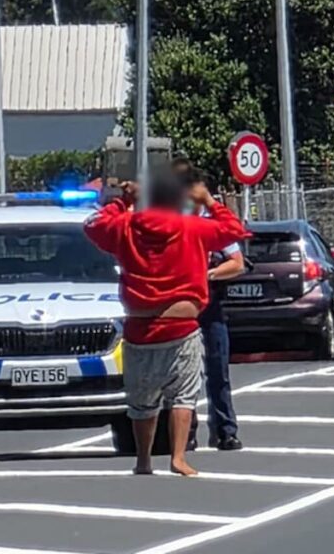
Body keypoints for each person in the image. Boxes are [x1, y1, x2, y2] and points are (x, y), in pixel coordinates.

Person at [83, 171, 248, 476]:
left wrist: (122, 202)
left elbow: (92, 226)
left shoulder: (125, 227)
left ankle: (144, 459)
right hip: (181, 326)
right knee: (183, 395)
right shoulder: (192, 227)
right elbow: (234, 230)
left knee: (142, 399)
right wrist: (210, 201)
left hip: (140, 328)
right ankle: (178, 457)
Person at [174, 159, 244, 451]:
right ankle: (185, 431)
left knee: (217, 369)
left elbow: (237, 263)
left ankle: (225, 429)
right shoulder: (171, 220)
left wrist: (208, 273)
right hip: (180, 306)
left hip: (211, 305)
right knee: (182, 371)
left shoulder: (211, 223)